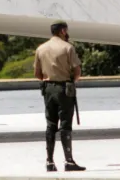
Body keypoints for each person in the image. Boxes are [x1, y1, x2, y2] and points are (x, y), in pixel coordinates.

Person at [34, 21, 85, 172]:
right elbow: (77, 71)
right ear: (62, 31)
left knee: (50, 124)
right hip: (64, 89)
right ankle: (68, 161)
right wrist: (71, 81)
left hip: (48, 89)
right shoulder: (68, 47)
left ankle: (49, 161)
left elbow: (37, 74)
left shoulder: (41, 48)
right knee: (65, 125)